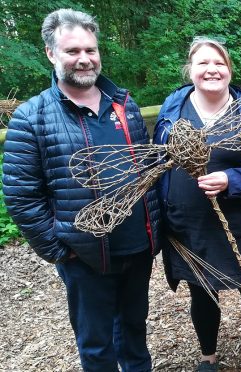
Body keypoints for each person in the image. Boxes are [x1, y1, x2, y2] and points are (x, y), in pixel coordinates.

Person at [2, 8, 160, 371]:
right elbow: (21, 196)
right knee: (96, 344)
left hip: (137, 246)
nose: (84, 59)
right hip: (86, 258)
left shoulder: (124, 104)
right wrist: (62, 250)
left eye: (90, 49)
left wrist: (155, 227)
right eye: (73, 51)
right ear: (51, 53)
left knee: (135, 333)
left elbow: (146, 168)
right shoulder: (33, 117)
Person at [153, 37, 241, 371]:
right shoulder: (173, 108)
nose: (212, 69)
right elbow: (158, 161)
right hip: (190, 223)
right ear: (190, 69)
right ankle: (207, 356)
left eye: (219, 63)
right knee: (201, 289)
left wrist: (232, 180)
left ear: (229, 69)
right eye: (203, 63)